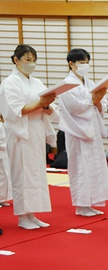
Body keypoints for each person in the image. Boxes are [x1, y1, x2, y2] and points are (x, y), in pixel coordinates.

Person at [0, 44, 57, 229]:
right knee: (21, 174)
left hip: (36, 130)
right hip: (19, 132)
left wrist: (46, 105)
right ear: (16, 60)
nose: (31, 64)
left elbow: (48, 108)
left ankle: (32, 214)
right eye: (27, 60)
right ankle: (22, 216)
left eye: (33, 60)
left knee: (36, 174)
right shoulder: (9, 82)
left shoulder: (36, 82)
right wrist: (41, 103)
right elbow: (15, 110)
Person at [59, 48, 108, 217]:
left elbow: (102, 104)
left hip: (92, 130)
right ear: (71, 64)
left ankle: (91, 202)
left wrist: (98, 100)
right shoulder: (66, 84)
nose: (85, 65)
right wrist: (93, 100)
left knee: (94, 165)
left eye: (86, 62)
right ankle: (81, 204)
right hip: (77, 130)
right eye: (81, 62)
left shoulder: (89, 83)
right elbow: (74, 107)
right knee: (81, 166)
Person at [0, 114, 12, 209]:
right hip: (1, 150)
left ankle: (2, 198)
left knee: (5, 176)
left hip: (4, 153)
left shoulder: (3, 125)